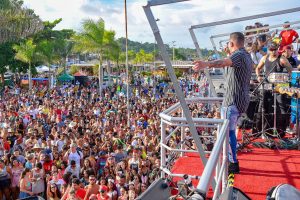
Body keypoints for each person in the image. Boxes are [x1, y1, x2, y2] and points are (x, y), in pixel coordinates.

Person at [193, 32, 253, 174]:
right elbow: (229, 70)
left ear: (231, 44)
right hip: (241, 100)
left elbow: (225, 62)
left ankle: (232, 163)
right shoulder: (245, 55)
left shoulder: (238, 55)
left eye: (228, 44)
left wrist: (205, 64)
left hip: (232, 100)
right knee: (230, 131)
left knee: (227, 133)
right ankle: (231, 160)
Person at [255, 43, 292, 134]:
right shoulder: (264, 58)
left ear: (277, 49)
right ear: (268, 50)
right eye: (271, 50)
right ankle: (261, 128)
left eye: (275, 49)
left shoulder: (282, 59)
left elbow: (290, 70)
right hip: (267, 86)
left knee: (281, 107)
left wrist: (286, 79)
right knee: (263, 106)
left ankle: (281, 130)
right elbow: (257, 68)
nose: (273, 51)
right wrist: (258, 76)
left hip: (279, 87)